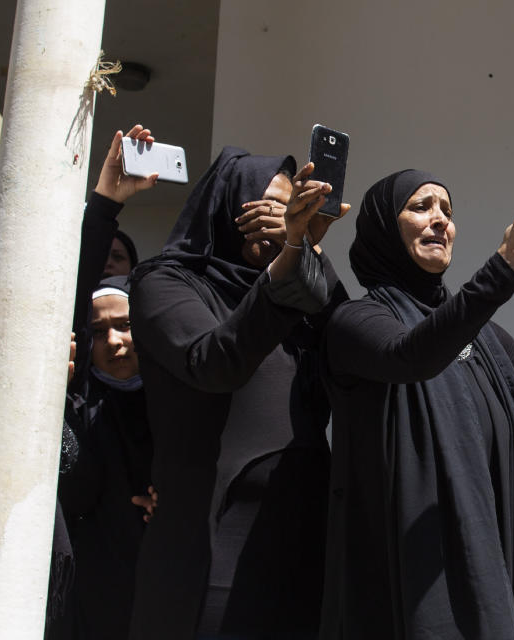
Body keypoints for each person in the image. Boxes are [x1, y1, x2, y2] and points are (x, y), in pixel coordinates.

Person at [320, 171, 514, 639]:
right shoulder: (356, 320)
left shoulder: (480, 332)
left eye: (447, 210)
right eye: (421, 207)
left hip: (492, 548)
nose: (440, 219)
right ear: (384, 226)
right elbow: (412, 356)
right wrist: (506, 267)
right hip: (417, 570)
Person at [127, 149, 348, 639]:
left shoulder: (296, 291)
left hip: (305, 533)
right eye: (266, 205)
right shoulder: (166, 283)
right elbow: (215, 362)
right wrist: (288, 262)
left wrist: (309, 255)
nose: (278, 219)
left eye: (289, 209)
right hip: (216, 536)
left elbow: (351, 347)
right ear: (227, 205)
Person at [55, 124, 159, 640]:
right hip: (93, 598)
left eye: (126, 327)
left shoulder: (177, 399)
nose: (115, 342)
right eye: (99, 332)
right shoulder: (78, 403)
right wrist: (104, 205)